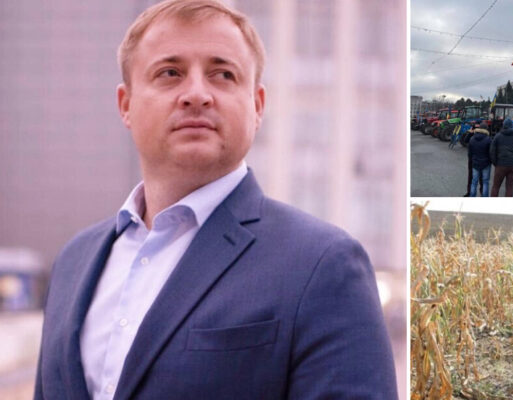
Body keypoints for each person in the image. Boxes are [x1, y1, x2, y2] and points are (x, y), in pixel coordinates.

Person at [34, 1, 398, 399]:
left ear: (257, 106)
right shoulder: (73, 261)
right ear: (126, 104)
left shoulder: (323, 265)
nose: (196, 94)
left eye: (223, 74)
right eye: (169, 73)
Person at [489, 118, 513, 197]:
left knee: (496, 186)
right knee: (509, 187)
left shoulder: (497, 137)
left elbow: (492, 152)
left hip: (500, 165)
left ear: (503, 125)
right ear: (512, 126)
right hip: (512, 166)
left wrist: (496, 163)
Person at [467, 125, 492, 197]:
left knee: (474, 182)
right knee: (485, 182)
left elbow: (470, 153)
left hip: (475, 163)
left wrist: (472, 160)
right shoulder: (488, 139)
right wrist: (490, 161)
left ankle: (472, 196)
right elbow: (491, 152)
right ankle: (484, 197)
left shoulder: (472, 139)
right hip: (486, 164)